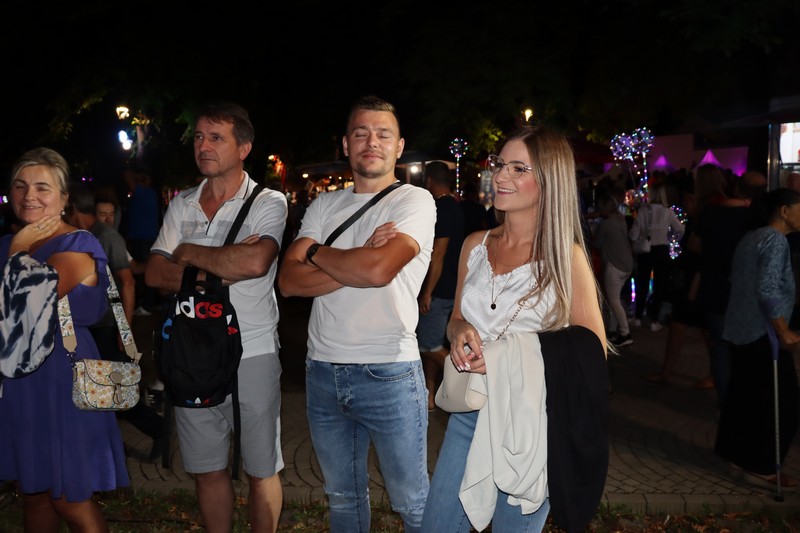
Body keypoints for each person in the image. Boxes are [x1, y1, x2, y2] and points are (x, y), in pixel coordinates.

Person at [421, 126, 607, 532]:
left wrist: (506, 355)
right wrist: (459, 330)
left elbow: (592, 349)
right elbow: (455, 318)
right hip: (470, 412)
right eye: (500, 164)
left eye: (518, 168)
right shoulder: (474, 244)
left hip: (530, 423)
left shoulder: (566, 257)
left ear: (549, 180)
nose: (500, 176)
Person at [278, 95, 435, 532]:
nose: (372, 142)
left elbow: (379, 270)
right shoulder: (324, 206)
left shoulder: (414, 201)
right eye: (361, 133)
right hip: (322, 371)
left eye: (383, 134)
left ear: (399, 146)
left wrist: (315, 252)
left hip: (389, 371)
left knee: (413, 503)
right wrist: (358, 255)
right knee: (343, 500)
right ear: (346, 144)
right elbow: (288, 282)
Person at [145, 102, 288, 533]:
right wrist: (224, 263)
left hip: (251, 352)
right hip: (188, 351)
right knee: (207, 470)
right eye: (199, 137)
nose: (203, 146)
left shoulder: (268, 202)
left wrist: (188, 253)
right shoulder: (182, 203)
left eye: (216, 138)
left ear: (243, 148)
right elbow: (155, 273)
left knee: (261, 469)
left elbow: (256, 262)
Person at [0, 147, 129, 531]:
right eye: (20, 186)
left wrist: (19, 248)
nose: (29, 195)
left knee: (69, 497)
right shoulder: (5, 244)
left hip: (61, 376)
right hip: (18, 379)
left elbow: (25, 301)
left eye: (42, 187)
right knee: (34, 493)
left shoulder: (78, 245)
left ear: (64, 198)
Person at [65, 182, 164, 461]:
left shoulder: (107, 236)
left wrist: (124, 329)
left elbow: (127, 282)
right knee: (95, 392)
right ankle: (105, 448)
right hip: (91, 327)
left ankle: (159, 430)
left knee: (116, 394)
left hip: (108, 326)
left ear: (73, 207)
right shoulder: (81, 236)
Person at [714, 187, 800, 487]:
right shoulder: (775, 240)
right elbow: (767, 288)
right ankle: (762, 466)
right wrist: (783, 330)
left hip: (741, 329)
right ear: (784, 211)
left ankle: (737, 456)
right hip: (763, 332)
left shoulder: (751, 236)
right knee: (783, 402)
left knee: (745, 396)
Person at [696, 170, 767, 404]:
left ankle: (727, 404)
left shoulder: (711, 213)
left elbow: (696, 246)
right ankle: (741, 404)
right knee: (743, 350)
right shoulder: (754, 220)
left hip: (715, 289)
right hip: (744, 295)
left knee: (720, 348)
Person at [418, 160, 465, 410]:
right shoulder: (454, 206)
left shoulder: (442, 208)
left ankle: (470, 379)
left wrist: (427, 291)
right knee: (433, 340)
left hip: (440, 289)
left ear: (428, 181)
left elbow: (439, 253)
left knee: (427, 345)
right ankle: (429, 396)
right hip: (453, 286)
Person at [628, 182, 684, 331]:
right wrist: (671, 237)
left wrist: (635, 238)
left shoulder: (643, 210)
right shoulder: (668, 212)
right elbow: (680, 229)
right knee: (660, 285)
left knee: (642, 284)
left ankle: (638, 317)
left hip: (646, 250)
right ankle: (654, 320)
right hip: (662, 250)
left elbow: (634, 233)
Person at [592, 192, 634, 346]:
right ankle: (613, 330)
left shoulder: (606, 224)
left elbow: (596, 243)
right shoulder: (620, 220)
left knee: (613, 300)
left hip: (614, 264)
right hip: (627, 263)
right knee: (615, 298)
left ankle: (625, 333)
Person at [123, 163, 160, 315]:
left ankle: (146, 306)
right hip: (148, 237)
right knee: (146, 269)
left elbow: (127, 175)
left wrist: (139, 176)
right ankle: (146, 304)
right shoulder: (151, 194)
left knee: (143, 270)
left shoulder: (144, 193)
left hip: (142, 238)